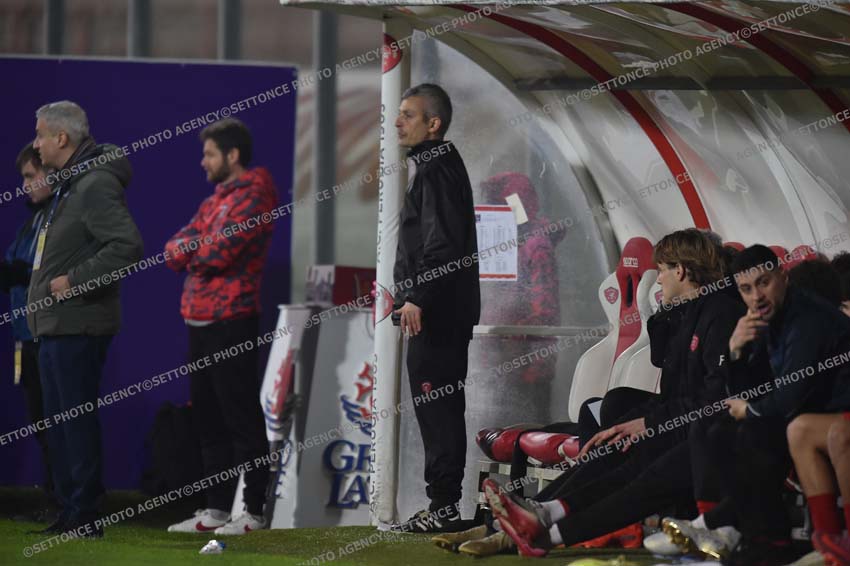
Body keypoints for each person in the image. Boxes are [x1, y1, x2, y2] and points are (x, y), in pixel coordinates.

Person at [456, 229, 742, 557]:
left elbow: (712, 399)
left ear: (681, 271)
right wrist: (664, 313)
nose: (658, 279)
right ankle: (527, 516)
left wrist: (648, 423)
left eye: (662, 269)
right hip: (682, 419)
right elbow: (664, 366)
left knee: (629, 457)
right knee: (613, 430)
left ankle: (534, 526)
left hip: (702, 427)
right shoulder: (687, 313)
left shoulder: (721, 314)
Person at [654, 245, 850, 565]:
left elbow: (790, 395)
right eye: (746, 289)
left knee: (753, 434)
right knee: (716, 428)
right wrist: (735, 351)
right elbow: (747, 386)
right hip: (807, 413)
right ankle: (736, 531)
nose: (756, 296)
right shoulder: (765, 317)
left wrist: (750, 410)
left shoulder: (806, 319)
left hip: (825, 412)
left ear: (783, 277)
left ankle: (747, 534)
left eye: (764, 283)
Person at [27, 100, 144, 537]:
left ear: (62, 138)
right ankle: (70, 511)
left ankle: (86, 516)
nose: (35, 145)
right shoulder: (70, 184)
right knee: (61, 424)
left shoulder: (93, 183)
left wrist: (74, 281)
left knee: (74, 423)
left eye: (40, 135)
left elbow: (127, 246)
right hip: (56, 325)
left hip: (78, 323)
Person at [165, 118, 278, 535]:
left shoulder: (256, 196)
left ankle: (254, 511)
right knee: (208, 417)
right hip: (198, 320)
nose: (203, 162)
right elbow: (173, 249)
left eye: (210, 154)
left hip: (233, 321)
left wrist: (194, 251)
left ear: (232, 155)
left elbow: (218, 253)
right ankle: (215, 509)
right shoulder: (215, 201)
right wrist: (196, 249)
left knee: (240, 417)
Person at [391, 83, 480, 533]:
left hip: (438, 314)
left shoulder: (437, 168)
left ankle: (443, 508)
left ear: (433, 124)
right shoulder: (435, 165)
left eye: (408, 114)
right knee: (438, 409)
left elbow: (442, 244)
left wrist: (416, 297)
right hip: (440, 311)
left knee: (439, 411)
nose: (397, 122)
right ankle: (442, 505)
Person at [1, 144, 55, 520]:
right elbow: (13, 268)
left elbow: (41, 270)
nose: (24, 185)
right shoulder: (31, 222)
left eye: (30, 176)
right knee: (41, 421)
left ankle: (68, 502)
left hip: (48, 334)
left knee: (57, 421)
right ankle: (55, 500)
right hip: (26, 336)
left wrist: (19, 273)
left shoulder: (59, 217)